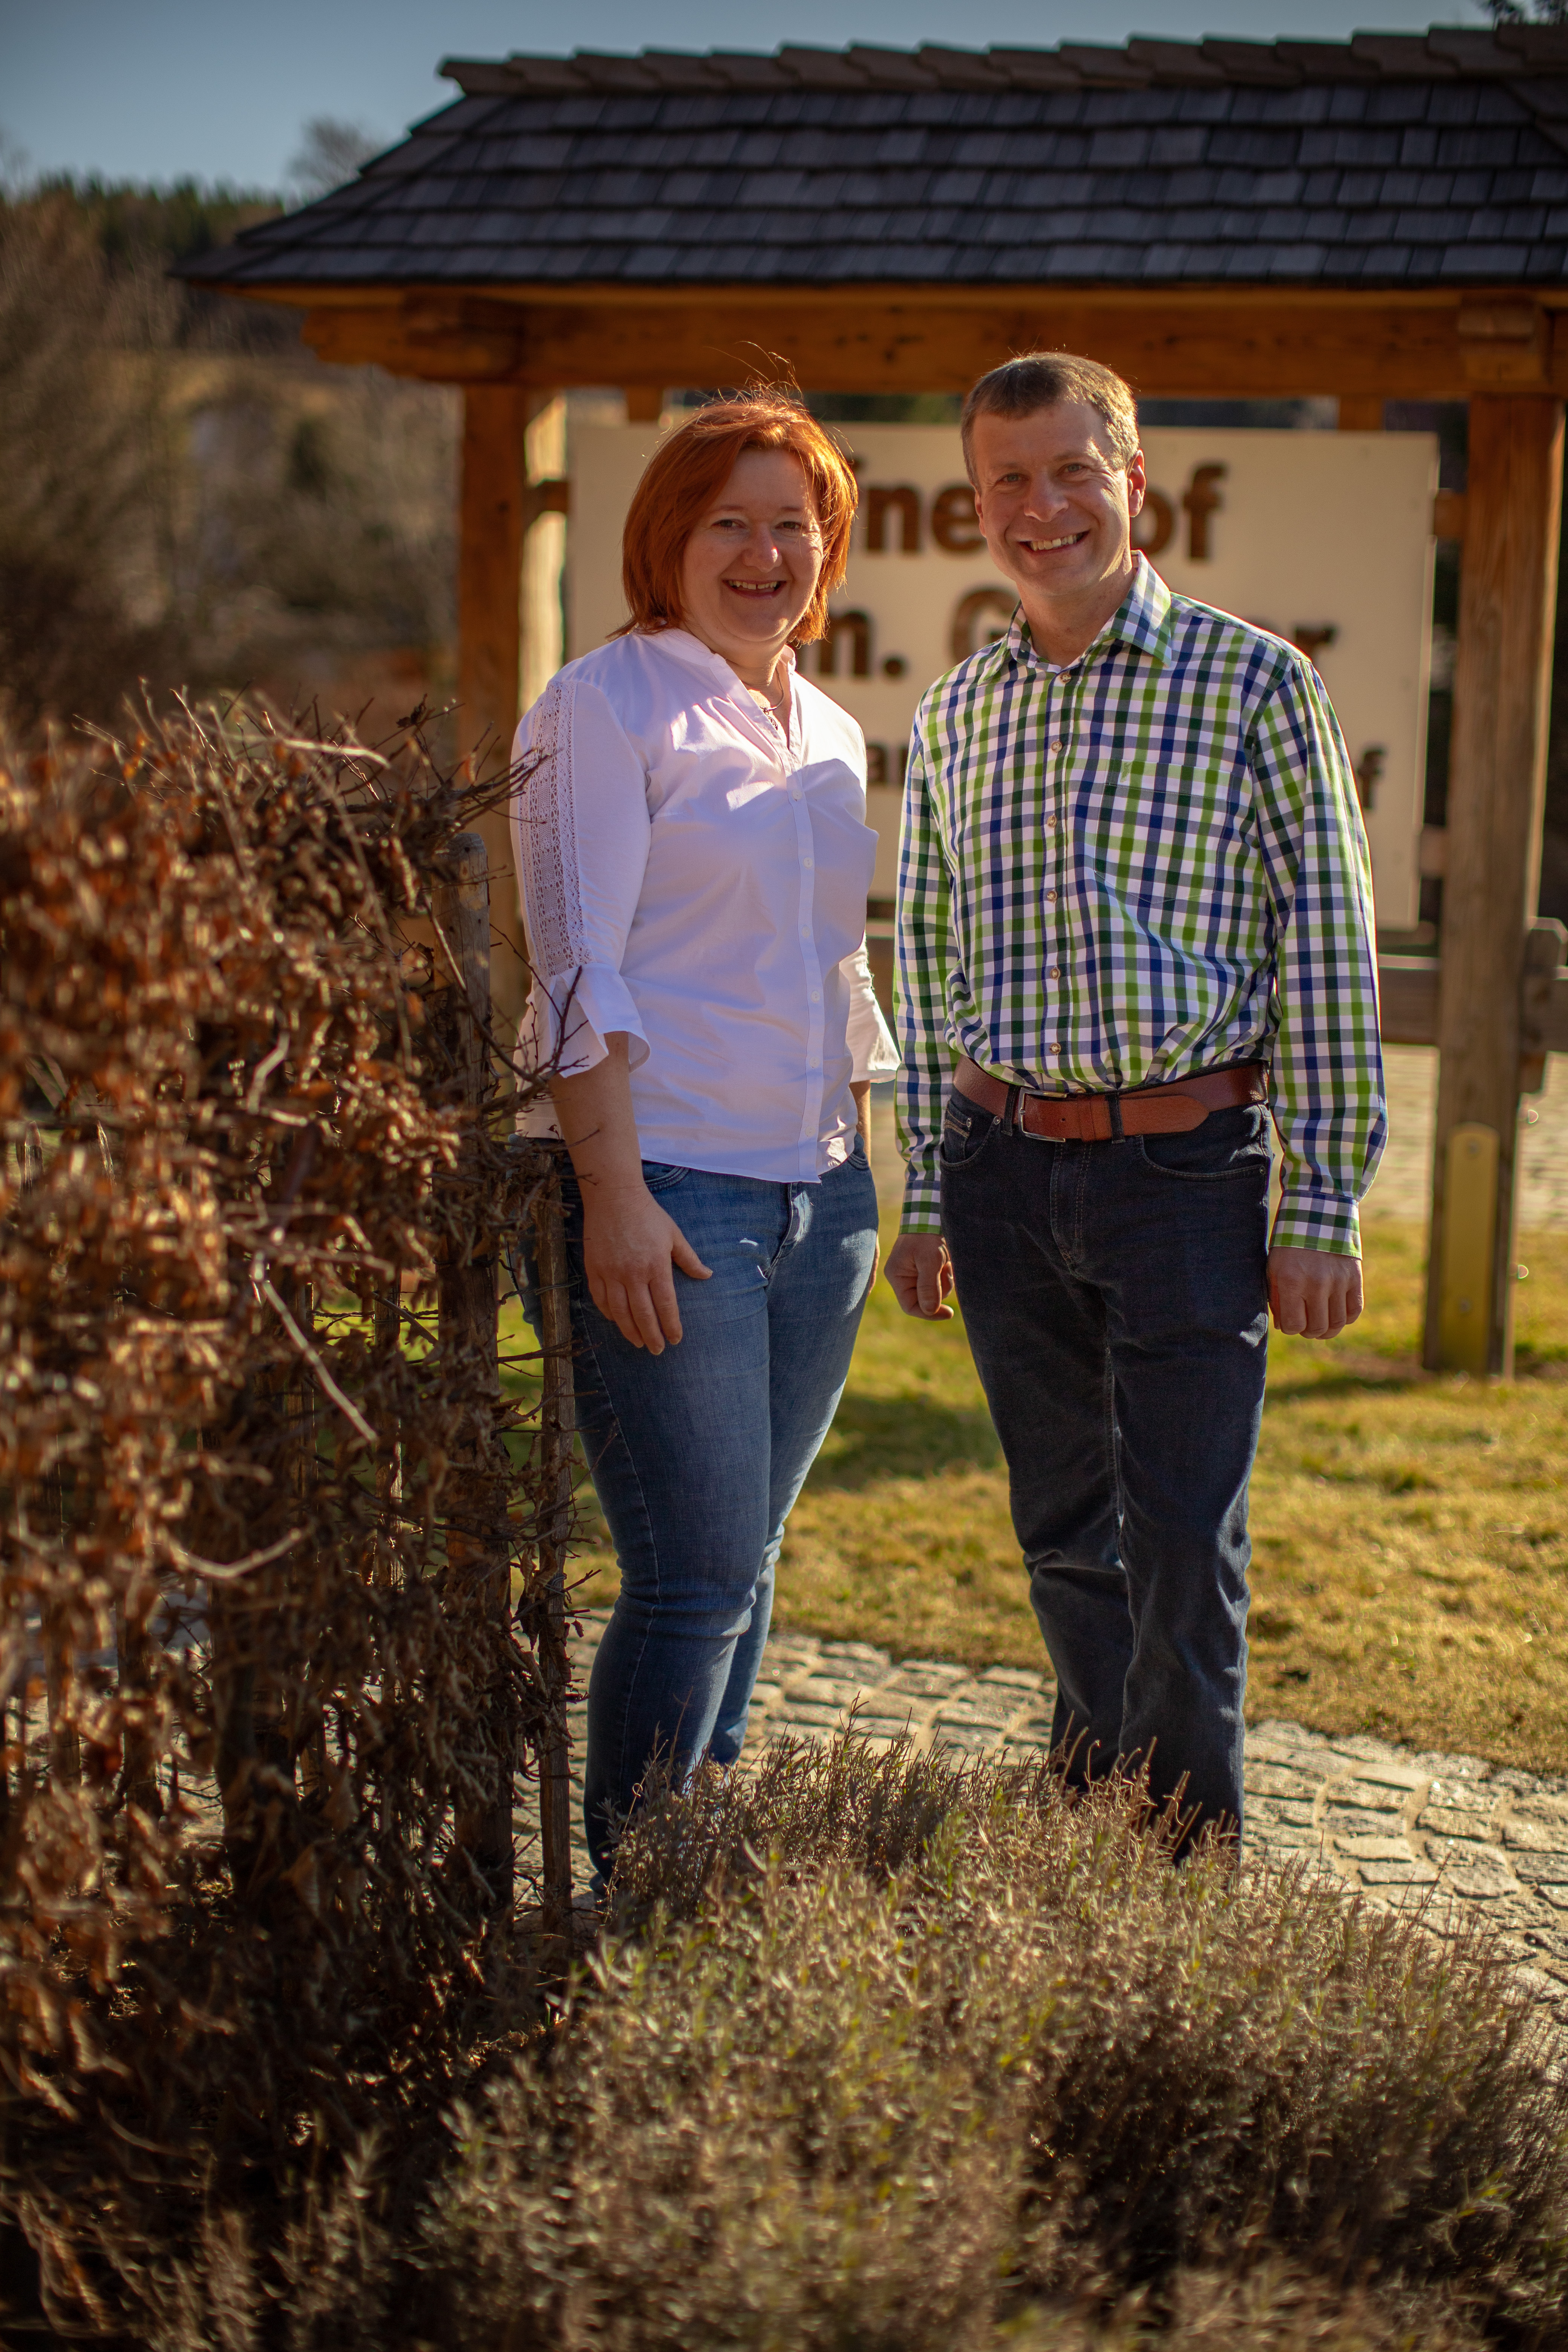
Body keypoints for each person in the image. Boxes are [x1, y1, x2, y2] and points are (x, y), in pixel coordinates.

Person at [885, 353, 1386, 1847]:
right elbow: (929, 959)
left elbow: (1325, 941)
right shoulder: (957, 712)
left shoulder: (1255, 683)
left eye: (1069, 472)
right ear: (977, 504)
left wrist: (1320, 1203)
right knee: (1061, 1534)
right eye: (1007, 481)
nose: (1039, 508)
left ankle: (1178, 1884)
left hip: (1184, 1180)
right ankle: (1085, 1851)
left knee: (1178, 1544)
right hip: (1000, 1171)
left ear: (1132, 480)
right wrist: (929, 1192)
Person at [512, 393, 896, 1883]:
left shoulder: (828, 727)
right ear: (664, 538)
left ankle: (695, 1877)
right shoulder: (603, 707)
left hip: (822, 1200)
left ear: (828, 547)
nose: (761, 551)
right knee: (696, 1576)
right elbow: (573, 968)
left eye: (791, 523)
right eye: (726, 520)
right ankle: (634, 1905)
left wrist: (866, 1167)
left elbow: (831, 964)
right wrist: (609, 1193)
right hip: (673, 1192)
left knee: (752, 1560)